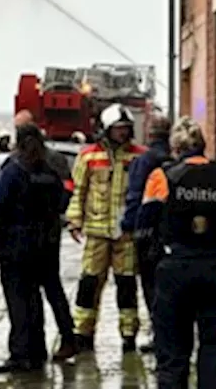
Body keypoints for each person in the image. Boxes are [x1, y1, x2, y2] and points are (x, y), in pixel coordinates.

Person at [136, 118, 216, 389]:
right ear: (204, 146)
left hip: (175, 268)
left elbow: (144, 226)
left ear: (175, 149)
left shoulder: (161, 178)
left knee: (173, 352)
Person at [0, 125, 76, 373]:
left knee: (19, 299)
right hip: (46, 245)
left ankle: (21, 353)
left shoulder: (14, 171)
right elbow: (63, 201)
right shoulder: (49, 172)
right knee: (41, 296)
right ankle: (40, 349)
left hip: (16, 245)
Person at [0, 112, 78, 362]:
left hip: (19, 240)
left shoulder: (14, 165)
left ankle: (27, 349)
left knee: (23, 295)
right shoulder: (54, 163)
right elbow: (65, 193)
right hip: (48, 238)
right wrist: (56, 214)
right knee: (53, 290)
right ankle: (66, 337)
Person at [66, 104, 145, 352]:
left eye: (125, 129)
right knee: (89, 282)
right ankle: (83, 332)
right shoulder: (88, 156)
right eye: (117, 129)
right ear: (106, 130)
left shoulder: (138, 156)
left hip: (126, 234)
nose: (122, 133)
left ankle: (129, 332)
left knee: (126, 284)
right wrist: (74, 220)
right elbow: (79, 191)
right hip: (97, 232)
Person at [121, 114, 173, 354]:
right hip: (171, 233)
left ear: (149, 134)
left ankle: (158, 334)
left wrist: (128, 226)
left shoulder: (143, 162)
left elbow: (135, 197)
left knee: (151, 287)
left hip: (147, 234)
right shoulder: (173, 161)